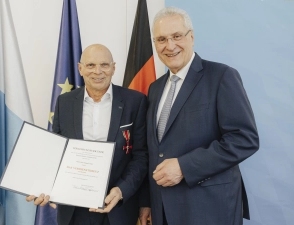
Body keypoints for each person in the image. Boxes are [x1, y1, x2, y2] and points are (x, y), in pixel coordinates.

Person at [146, 7, 259, 225]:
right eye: (161, 39)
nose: (170, 46)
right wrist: (147, 203)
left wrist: (184, 167)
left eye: (176, 36)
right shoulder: (154, 88)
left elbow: (245, 139)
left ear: (191, 37)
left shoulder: (222, 76)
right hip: (163, 210)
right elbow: (155, 151)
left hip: (209, 209)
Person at [26, 44, 150, 225]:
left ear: (113, 68)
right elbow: (56, 153)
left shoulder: (135, 101)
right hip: (73, 209)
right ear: (80, 68)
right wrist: (44, 185)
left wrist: (121, 190)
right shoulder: (65, 102)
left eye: (104, 65)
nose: (97, 71)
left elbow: (141, 156)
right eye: (90, 65)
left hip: (118, 208)